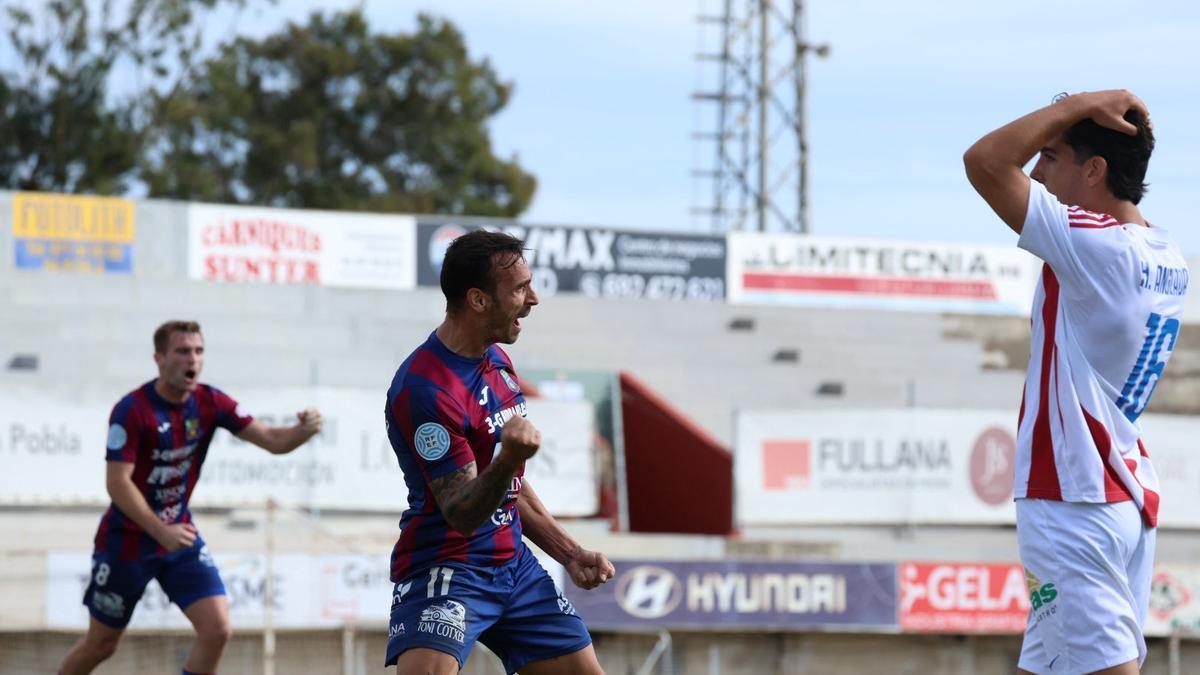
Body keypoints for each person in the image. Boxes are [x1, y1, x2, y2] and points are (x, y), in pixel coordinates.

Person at [965, 90, 1187, 675]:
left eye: (1052, 156)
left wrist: (1080, 103)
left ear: (1094, 171)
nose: (1036, 172)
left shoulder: (1097, 247)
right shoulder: (1168, 254)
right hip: (1120, 491)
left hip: (1073, 498)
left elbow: (985, 163)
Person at [384, 230, 614, 675]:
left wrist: (568, 552)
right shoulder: (425, 388)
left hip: (514, 567)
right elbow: (461, 511)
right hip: (449, 568)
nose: (534, 299)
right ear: (478, 300)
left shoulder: (497, 361)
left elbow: (509, 487)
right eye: (521, 288)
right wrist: (508, 457)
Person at [58, 320, 324, 675]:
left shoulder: (210, 401)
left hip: (179, 536)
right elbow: (117, 483)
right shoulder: (132, 410)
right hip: (127, 543)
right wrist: (159, 531)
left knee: (217, 629)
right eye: (183, 351)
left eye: (198, 351)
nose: (193, 360)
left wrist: (303, 431)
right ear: (159, 358)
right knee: (101, 646)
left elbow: (274, 440)